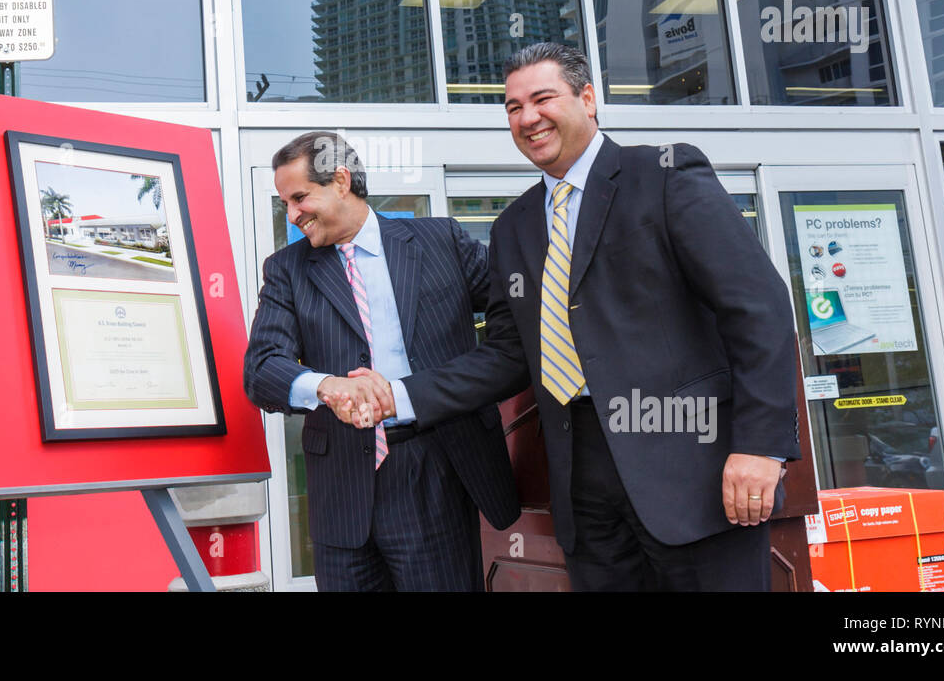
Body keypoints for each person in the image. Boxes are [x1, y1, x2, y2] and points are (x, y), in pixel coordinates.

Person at [340, 43, 801, 591]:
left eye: (542, 98)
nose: (527, 117)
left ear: (587, 99)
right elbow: (510, 354)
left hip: (692, 470)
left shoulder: (664, 175)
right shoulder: (514, 227)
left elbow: (758, 309)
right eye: (513, 107)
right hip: (582, 481)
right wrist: (399, 394)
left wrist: (760, 445)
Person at [242, 131, 519, 591]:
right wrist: (325, 385)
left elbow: (518, 315)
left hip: (435, 468)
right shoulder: (287, 269)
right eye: (284, 204)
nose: (292, 215)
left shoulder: (441, 241)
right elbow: (261, 369)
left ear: (341, 180)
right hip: (341, 491)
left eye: (299, 198)